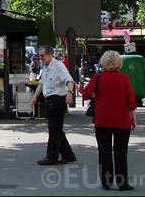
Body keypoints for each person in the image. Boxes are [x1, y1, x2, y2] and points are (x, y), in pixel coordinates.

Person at [83, 50, 136, 191]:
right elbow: (130, 100)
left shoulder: (98, 77)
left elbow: (86, 94)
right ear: (119, 63)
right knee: (121, 151)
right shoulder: (124, 78)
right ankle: (122, 182)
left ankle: (106, 181)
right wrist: (133, 117)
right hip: (121, 119)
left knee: (104, 150)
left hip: (102, 119)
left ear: (103, 62)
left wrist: (95, 95)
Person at [29, 45, 76, 165]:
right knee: (56, 128)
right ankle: (68, 154)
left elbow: (69, 80)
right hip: (49, 99)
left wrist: (70, 93)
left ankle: (52, 156)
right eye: (39, 56)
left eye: (42, 56)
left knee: (54, 129)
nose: (40, 58)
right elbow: (42, 83)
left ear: (50, 55)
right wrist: (35, 97)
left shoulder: (58, 66)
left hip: (57, 99)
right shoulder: (45, 66)